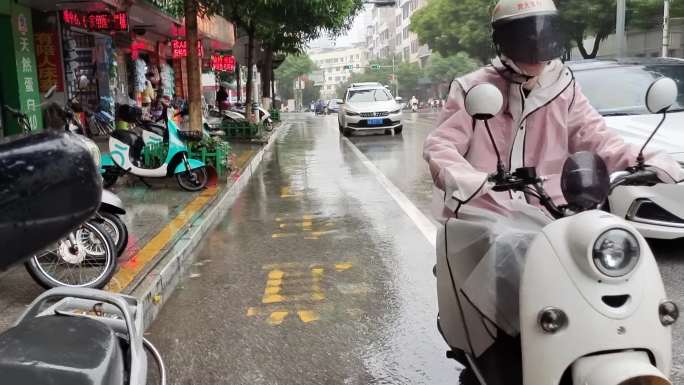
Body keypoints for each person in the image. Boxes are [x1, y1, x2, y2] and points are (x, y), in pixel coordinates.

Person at [423, 0, 682, 383]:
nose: (537, 45)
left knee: (595, 249)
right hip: (487, 209)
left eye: (543, 32)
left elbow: (597, 137)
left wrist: (643, 157)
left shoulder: (563, 86)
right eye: (524, 35)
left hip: (552, 211)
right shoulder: (473, 88)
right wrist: (467, 178)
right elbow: (440, 146)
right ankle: (508, 346)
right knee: (508, 246)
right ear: (503, 41)